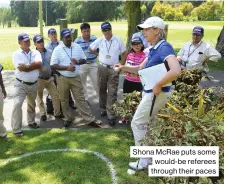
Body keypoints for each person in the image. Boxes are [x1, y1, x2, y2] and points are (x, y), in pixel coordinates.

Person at [115, 17, 181, 171]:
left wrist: (158, 84)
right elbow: (139, 69)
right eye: (143, 29)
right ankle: (150, 159)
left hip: (155, 93)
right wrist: (123, 66)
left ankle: (143, 162)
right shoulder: (153, 49)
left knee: (137, 123)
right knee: (148, 125)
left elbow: (176, 70)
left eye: (147, 29)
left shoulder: (164, 47)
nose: (143, 32)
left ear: (157, 30)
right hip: (150, 93)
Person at [50, 28, 102, 128]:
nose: (69, 38)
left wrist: (77, 62)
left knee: (80, 98)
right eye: (66, 37)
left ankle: (89, 119)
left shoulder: (77, 46)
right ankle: (67, 118)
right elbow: (53, 65)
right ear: (62, 38)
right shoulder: (57, 49)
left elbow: (84, 59)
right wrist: (66, 68)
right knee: (64, 100)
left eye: (70, 36)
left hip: (75, 77)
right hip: (63, 78)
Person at [89, 22, 127, 126]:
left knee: (112, 91)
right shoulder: (100, 40)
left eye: (108, 29)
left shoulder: (118, 39)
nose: (107, 32)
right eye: (104, 30)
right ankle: (103, 108)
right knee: (101, 89)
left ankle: (111, 114)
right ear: (102, 31)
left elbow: (124, 53)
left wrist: (121, 65)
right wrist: (99, 55)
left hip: (113, 69)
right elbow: (90, 48)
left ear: (111, 29)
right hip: (102, 67)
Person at [11, 33, 42, 134]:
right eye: (25, 41)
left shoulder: (35, 52)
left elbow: (39, 64)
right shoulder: (16, 54)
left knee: (31, 104)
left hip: (33, 83)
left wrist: (27, 66)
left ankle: (31, 121)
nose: (27, 42)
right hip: (21, 83)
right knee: (17, 104)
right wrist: (32, 66)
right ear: (19, 43)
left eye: (28, 40)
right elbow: (21, 68)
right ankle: (16, 129)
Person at [33, 34, 63, 121]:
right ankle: (43, 113)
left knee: (56, 96)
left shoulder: (49, 51)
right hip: (39, 79)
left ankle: (57, 113)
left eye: (42, 41)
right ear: (35, 44)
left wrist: (55, 75)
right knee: (39, 98)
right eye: (38, 42)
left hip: (49, 78)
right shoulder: (33, 54)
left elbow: (53, 64)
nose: (41, 43)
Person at [46, 28, 76, 110]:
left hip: (63, 68)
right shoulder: (47, 46)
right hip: (54, 70)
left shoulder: (61, 43)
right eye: (52, 34)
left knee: (66, 87)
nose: (54, 35)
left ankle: (71, 102)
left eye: (55, 33)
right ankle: (55, 106)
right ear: (48, 36)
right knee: (55, 88)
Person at [74, 23, 99, 103]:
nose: (87, 33)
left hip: (93, 63)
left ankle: (102, 100)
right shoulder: (77, 41)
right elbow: (74, 53)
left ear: (90, 30)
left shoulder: (95, 39)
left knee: (97, 82)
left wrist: (94, 52)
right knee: (82, 83)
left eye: (88, 31)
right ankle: (85, 100)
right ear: (81, 32)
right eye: (84, 31)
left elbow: (100, 51)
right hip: (82, 65)